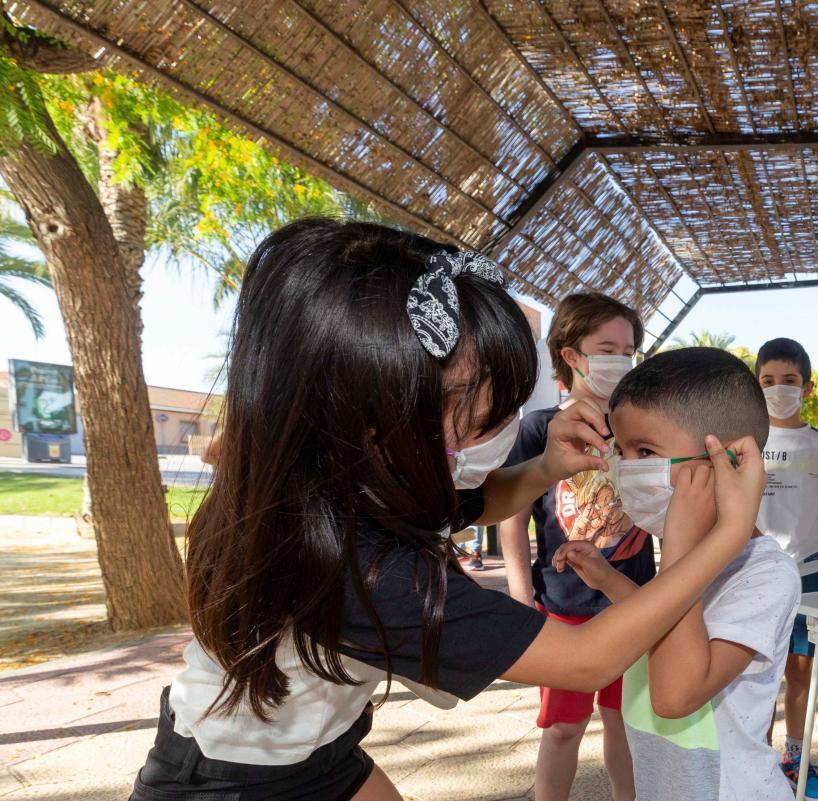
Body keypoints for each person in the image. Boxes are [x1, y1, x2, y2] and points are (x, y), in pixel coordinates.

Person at [128, 219, 767, 801]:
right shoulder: (355, 564)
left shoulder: (344, 481)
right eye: (473, 410)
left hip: (315, 748)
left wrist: (545, 467)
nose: (495, 429)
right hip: (236, 780)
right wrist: (723, 533)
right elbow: (589, 659)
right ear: (373, 403)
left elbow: (476, 504)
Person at [557, 347, 801, 801]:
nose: (626, 469)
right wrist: (610, 580)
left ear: (725, 461)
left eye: (645, 451)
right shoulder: (691, 557)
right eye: (623, 452)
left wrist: (680, 547)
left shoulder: (766, 576)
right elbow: (662, 626)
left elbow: (675, 694)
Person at [498, 292, 653, 801]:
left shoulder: (645, 430)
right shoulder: (539, 429)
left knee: (625, 724)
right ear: (571, 355)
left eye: (628, 350)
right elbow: (511, 519)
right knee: (563, 728)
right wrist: (521, 597)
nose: (621, 360)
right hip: (562, 609)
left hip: (633, 602)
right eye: (607, 348)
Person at [754, 337, 818, 798]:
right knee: (755, 671)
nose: (779, 389)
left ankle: (796, 756)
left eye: (789, 381)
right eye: (768, 381)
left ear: (807, 388)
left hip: (807, 576)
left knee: (799, 669)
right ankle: (756, 756)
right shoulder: (745, 445)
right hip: (751, 575)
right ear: (757, 386)